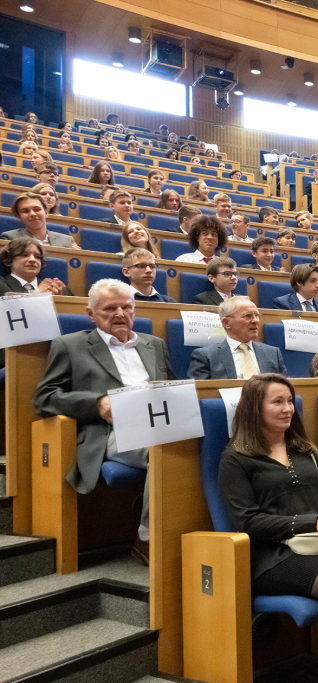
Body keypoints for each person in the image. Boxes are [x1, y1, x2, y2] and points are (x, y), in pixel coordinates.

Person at [32, 280, 174, 564]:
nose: (120, 313)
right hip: (109, 430)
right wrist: (96, 403)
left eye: (127, 307)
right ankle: (147, 538)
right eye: (110, 308)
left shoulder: (154, 344)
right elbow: (44, 397)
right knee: (162, 452)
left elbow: (171, 387)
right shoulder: (70, 345)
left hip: (160, 422)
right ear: (91, 314)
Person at [217, 374, 318, 639]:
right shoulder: (235, 459)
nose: (287, 409)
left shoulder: (305, 449)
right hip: (274, 558)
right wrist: (312, 522)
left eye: (289, 401)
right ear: (254, 408)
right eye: (277, 402)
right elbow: (248, 521)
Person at [187, 298, 286, 379]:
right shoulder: (206, 357)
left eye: (256, 315)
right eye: (248, 316)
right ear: (226, 323)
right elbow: (201, 396)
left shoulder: (273, 353)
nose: (255, 321)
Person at [0, 237, 70, 297]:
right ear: (9, 259)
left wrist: (61, 299)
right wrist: (36, 295)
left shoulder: (58, 288)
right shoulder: (2, 284)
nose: (33, 260)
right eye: (25, 255)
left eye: (37, 257)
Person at [2, 192, 77, 248]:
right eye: (25, 211)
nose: (32, 214)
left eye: (37, 209)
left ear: (46, 213)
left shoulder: (68, 241)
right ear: (19, 217)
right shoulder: (10, 238)